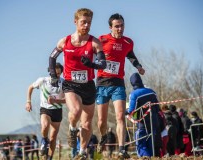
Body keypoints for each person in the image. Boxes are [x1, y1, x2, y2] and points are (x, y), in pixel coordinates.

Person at [48, 8, 106, 159]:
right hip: (70, 84)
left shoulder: (95, 43)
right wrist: (54, 76)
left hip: (88, 85)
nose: (86, 25)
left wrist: (92, 65)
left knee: (87, 124)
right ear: (75, 22)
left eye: (89, 23)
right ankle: (72, 129)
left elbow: (102, 64)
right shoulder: (65, 41)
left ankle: (82, 152)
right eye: (83, 22)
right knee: (75, 111)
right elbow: (52, 57)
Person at [96, 13, 145, 159]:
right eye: (117, 26)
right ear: (110, 27)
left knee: (120, 117)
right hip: (102, 83)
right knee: (101, 121)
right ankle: (103, 136)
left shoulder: (128, 42)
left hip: (118, 83)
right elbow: (92, 54)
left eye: (122, 25)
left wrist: (139, 66)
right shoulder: (102, 40)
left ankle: (122, 149)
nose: (120, 28)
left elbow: (130, 55)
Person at [26, 62, 65, 160]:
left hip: (57, 110)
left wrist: (56, 101)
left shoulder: (63, 83)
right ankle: (44, 140)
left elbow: (68, 100)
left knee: (52, 138)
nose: (57, 75)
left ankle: (49, 157)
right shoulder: (42, 80)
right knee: (45, 126)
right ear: (50, 72)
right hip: (45, 109)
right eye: (55, 73)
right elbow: (30, 87)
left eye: (59, 73)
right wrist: (28, 102)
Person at [126, 73, 162, 158]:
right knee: (151, 143)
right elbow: (158, 108)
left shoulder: (134, 94)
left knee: (140, 143)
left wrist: (124, 112)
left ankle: (145, 157)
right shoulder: (152, 91)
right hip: (154, 122)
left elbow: (131, 110)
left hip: (142, 123)